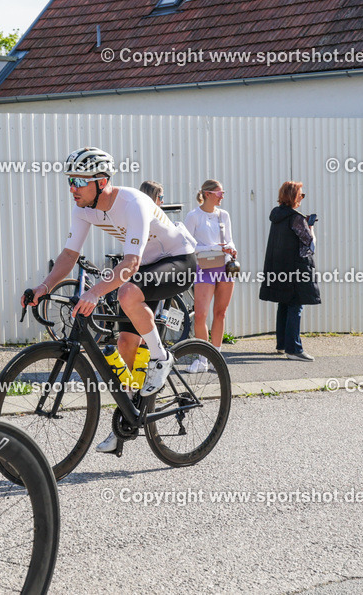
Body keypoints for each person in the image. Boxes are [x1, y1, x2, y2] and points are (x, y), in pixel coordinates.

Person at [26, 147, 196, 453]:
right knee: (125, 345)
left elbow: (130, 264)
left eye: (79, 181)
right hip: (148, 267)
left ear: (101, 182)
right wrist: (43, 286)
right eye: (70, 181)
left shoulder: (132, 202)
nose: (72, 188)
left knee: (127, 292)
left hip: (179, 260)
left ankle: (161, 358)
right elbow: (68, 256)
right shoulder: (83, 209)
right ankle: (130, 418)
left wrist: (94, 292)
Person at [259, 181, 320, 361]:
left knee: (284, 304)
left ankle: (282, 344)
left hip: (280, 268)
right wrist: (311, 228)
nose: (302, 198)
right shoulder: (296, 218)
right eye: (301, 194)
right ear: (293, 196)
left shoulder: (277, 215)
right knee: (295, 304)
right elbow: (311, 244)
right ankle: (294, 349)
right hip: (296, 270)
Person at [183, 179, 236, 373]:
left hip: (224, 267)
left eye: (223, 193)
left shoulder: (224, 215)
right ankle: (202, 360)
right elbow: (188, 246)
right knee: (201, 315)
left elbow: (230, 240)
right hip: (204, 268)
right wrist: (214, 248)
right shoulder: (193, 216)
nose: (222, 196)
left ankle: (216, 357)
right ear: (207, 194)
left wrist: (232, 249)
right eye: (220, 193)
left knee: (220, 313)